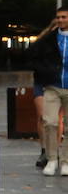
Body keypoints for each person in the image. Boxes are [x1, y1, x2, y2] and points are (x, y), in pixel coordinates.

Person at [27, 9, 68, 176]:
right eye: (58, 17)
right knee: (50, 122)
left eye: (64, 17)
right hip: (52, 85)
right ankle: (52, 159)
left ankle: (65, 161)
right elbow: (31, 55)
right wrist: (46, 72)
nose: (60, 19)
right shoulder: (48, 38)